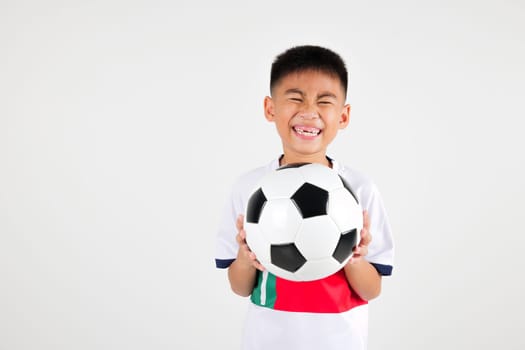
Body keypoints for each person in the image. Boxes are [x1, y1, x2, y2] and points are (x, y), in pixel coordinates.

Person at [214, 45, 394, 350]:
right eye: (295, 98)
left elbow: (371, 289)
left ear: (344, 115)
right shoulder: (250, 187)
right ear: (271, 109)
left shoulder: (359, 189)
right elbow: (239, 287)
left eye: (324, 101)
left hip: (341, 341)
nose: (309, 112)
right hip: (267, 341)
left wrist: (355, 257)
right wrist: (246, 257)